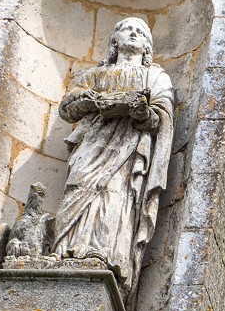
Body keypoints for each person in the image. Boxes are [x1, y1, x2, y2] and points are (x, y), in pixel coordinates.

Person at [52, 17, 174, 292]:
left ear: (146, 46)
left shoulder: (155, 77)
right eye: (125, 29)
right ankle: (64, 250)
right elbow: (68, 107)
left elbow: (160, 119)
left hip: (128, 150)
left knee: (115, 195)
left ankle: (105, 256)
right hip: (92, 146)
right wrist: (97, 101)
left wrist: (141, 112)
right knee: (80, 186)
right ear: (114, 41)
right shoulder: (95, 76)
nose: (133, 33)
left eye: (140, 32)